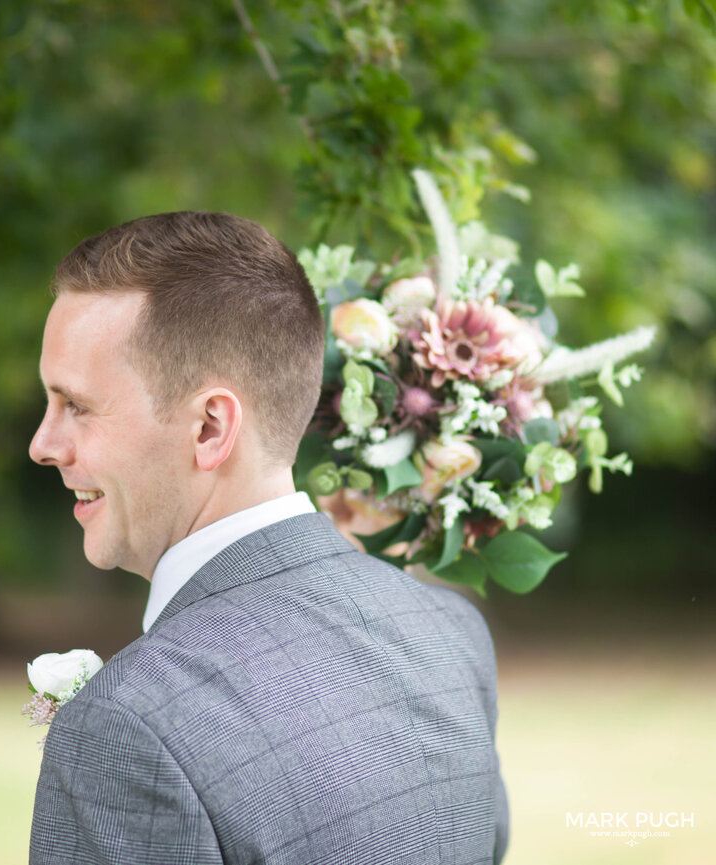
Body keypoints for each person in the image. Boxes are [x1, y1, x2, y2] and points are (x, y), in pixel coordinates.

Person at [27, 211, 509, 865]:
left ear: (209, 427)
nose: (42, 444)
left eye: (76, 405)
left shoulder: (128, 726)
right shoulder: (451, 631)